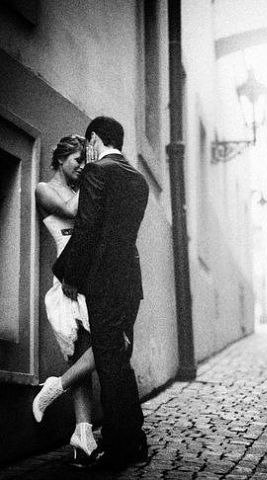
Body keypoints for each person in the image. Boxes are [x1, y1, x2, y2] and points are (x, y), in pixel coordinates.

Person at [53, 116, 150, 470]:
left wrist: (70, 274)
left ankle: (121, 447)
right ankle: (133, 440)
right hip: (130, 282)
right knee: (120, 360)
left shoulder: (97, 170)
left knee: (110, 364)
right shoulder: (138, 179)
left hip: (104, 283)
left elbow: (88, 227)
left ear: (94, 138)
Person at [33, 135, 99, 465]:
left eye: (86, 162)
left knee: (111, 344)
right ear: (61, 159)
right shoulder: (44, 189)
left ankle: (55, 387)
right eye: (78, 161)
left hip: (88, 274)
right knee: (83, 357)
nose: (83, 167)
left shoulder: (80, 189)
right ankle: (83, 440)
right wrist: (95, 174)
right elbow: (72, 211)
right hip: (68, 279)